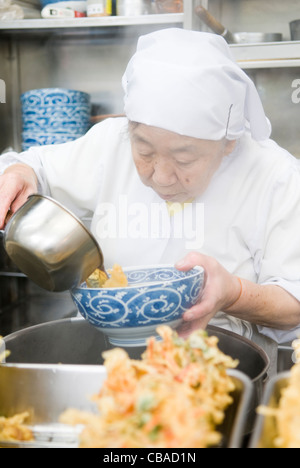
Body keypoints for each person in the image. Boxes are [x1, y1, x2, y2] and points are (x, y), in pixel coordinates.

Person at [1, 28, 300, 369]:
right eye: (143, 150)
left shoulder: (274, 176)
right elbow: (34, 166)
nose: (159, 176)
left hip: (221, 373)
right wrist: (20, 174)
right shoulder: (109, 143)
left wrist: (234, 293)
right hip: (111, 367)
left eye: (184, 159)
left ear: (228, 142)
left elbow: (295, 301)